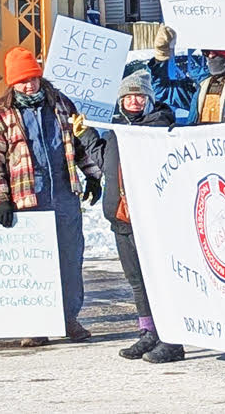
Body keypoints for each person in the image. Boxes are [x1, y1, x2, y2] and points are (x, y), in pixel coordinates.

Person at [0, 46, 103, 348]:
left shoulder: (60, 104)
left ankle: (68, 317)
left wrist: (92, 175)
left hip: (64, 194)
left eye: (33, 78)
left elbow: (79, 142)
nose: (29, 85)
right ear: (13, 83)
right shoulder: (0, 116)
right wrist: (1, 199)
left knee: (70, 258)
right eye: (22, 81)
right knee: (35, 264)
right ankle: (35, 323)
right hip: (27, 199)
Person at [78, 70, 183, 363]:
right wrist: (85, 134)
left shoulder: (159, 128)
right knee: (136, 280)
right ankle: (148, 331)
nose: (134, 101)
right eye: (128, 96)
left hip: (149, 218)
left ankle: (171, 337)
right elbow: (106, 163)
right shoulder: (117, 130)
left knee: (158, 279)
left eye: (139, 96)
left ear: (149, 99)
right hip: (121, 216)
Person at [147, 25, 197, 117]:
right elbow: (160, 88)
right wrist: (162, 54)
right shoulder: (193, 90)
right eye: (207, 52)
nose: (211, 55)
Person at [187, 49, 225, 124]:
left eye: (216, 51)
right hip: (199, 131)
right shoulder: (200, 83)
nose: (210, 56)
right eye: (206, 52)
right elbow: (170, 91)